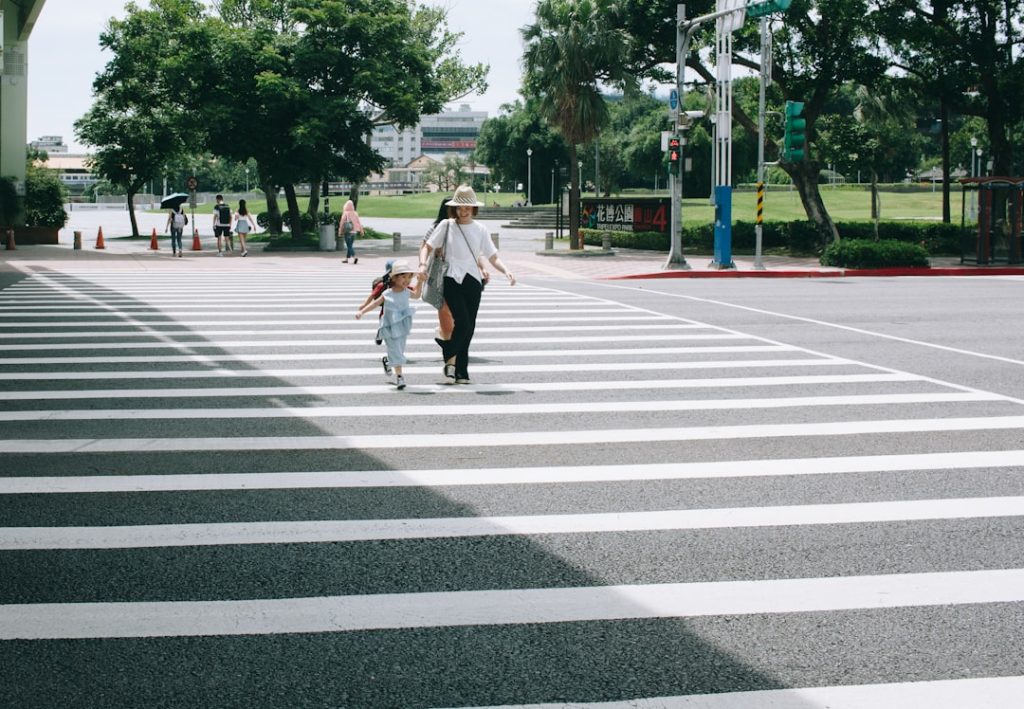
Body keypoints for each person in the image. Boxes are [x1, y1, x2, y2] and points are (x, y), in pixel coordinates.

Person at [418, 184, 515, 384]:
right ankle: (450, 351)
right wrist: (421, 265)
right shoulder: (446, 225)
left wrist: (506, 270)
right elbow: (427, 247)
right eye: (460, 207)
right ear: (454, 208)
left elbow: (492, 256)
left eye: (467, 207)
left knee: (469, 326)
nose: (463, 211)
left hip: (472, 280)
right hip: (451, 278)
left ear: (474, 209)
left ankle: (461, 371)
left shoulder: (480, 229)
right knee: (462, 321)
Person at [355, 259, 421, 390]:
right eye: (403, 277)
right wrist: (362, 312)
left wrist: (421, 280)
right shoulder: (387, 293)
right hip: (389, 325)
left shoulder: (406, 292)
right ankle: (400, 377)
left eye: (409, 277)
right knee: (395, 350)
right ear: (394, 278)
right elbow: (375, 303)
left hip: (402, 325)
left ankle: (388, 361)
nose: (407, 280)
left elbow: (417, 295)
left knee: (399, 349)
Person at [423, 198, 461, 347]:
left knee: (455, 310)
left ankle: (446, 334)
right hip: (440, 273)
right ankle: (448, 338)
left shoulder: (462, 227)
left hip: (458, 274)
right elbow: (424, 247)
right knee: (444, 307)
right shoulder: (436, 227)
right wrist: (422, 266)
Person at [339, 199, 363, 264]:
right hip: (354, 232)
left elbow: (341, 223)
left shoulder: (345, 213)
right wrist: (361, 230)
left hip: (348, 231)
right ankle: (346, 259)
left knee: (349, 246)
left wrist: (340, 231)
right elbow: (359, 222)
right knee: (350, 246)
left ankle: (355, 257)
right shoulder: (355, 213)